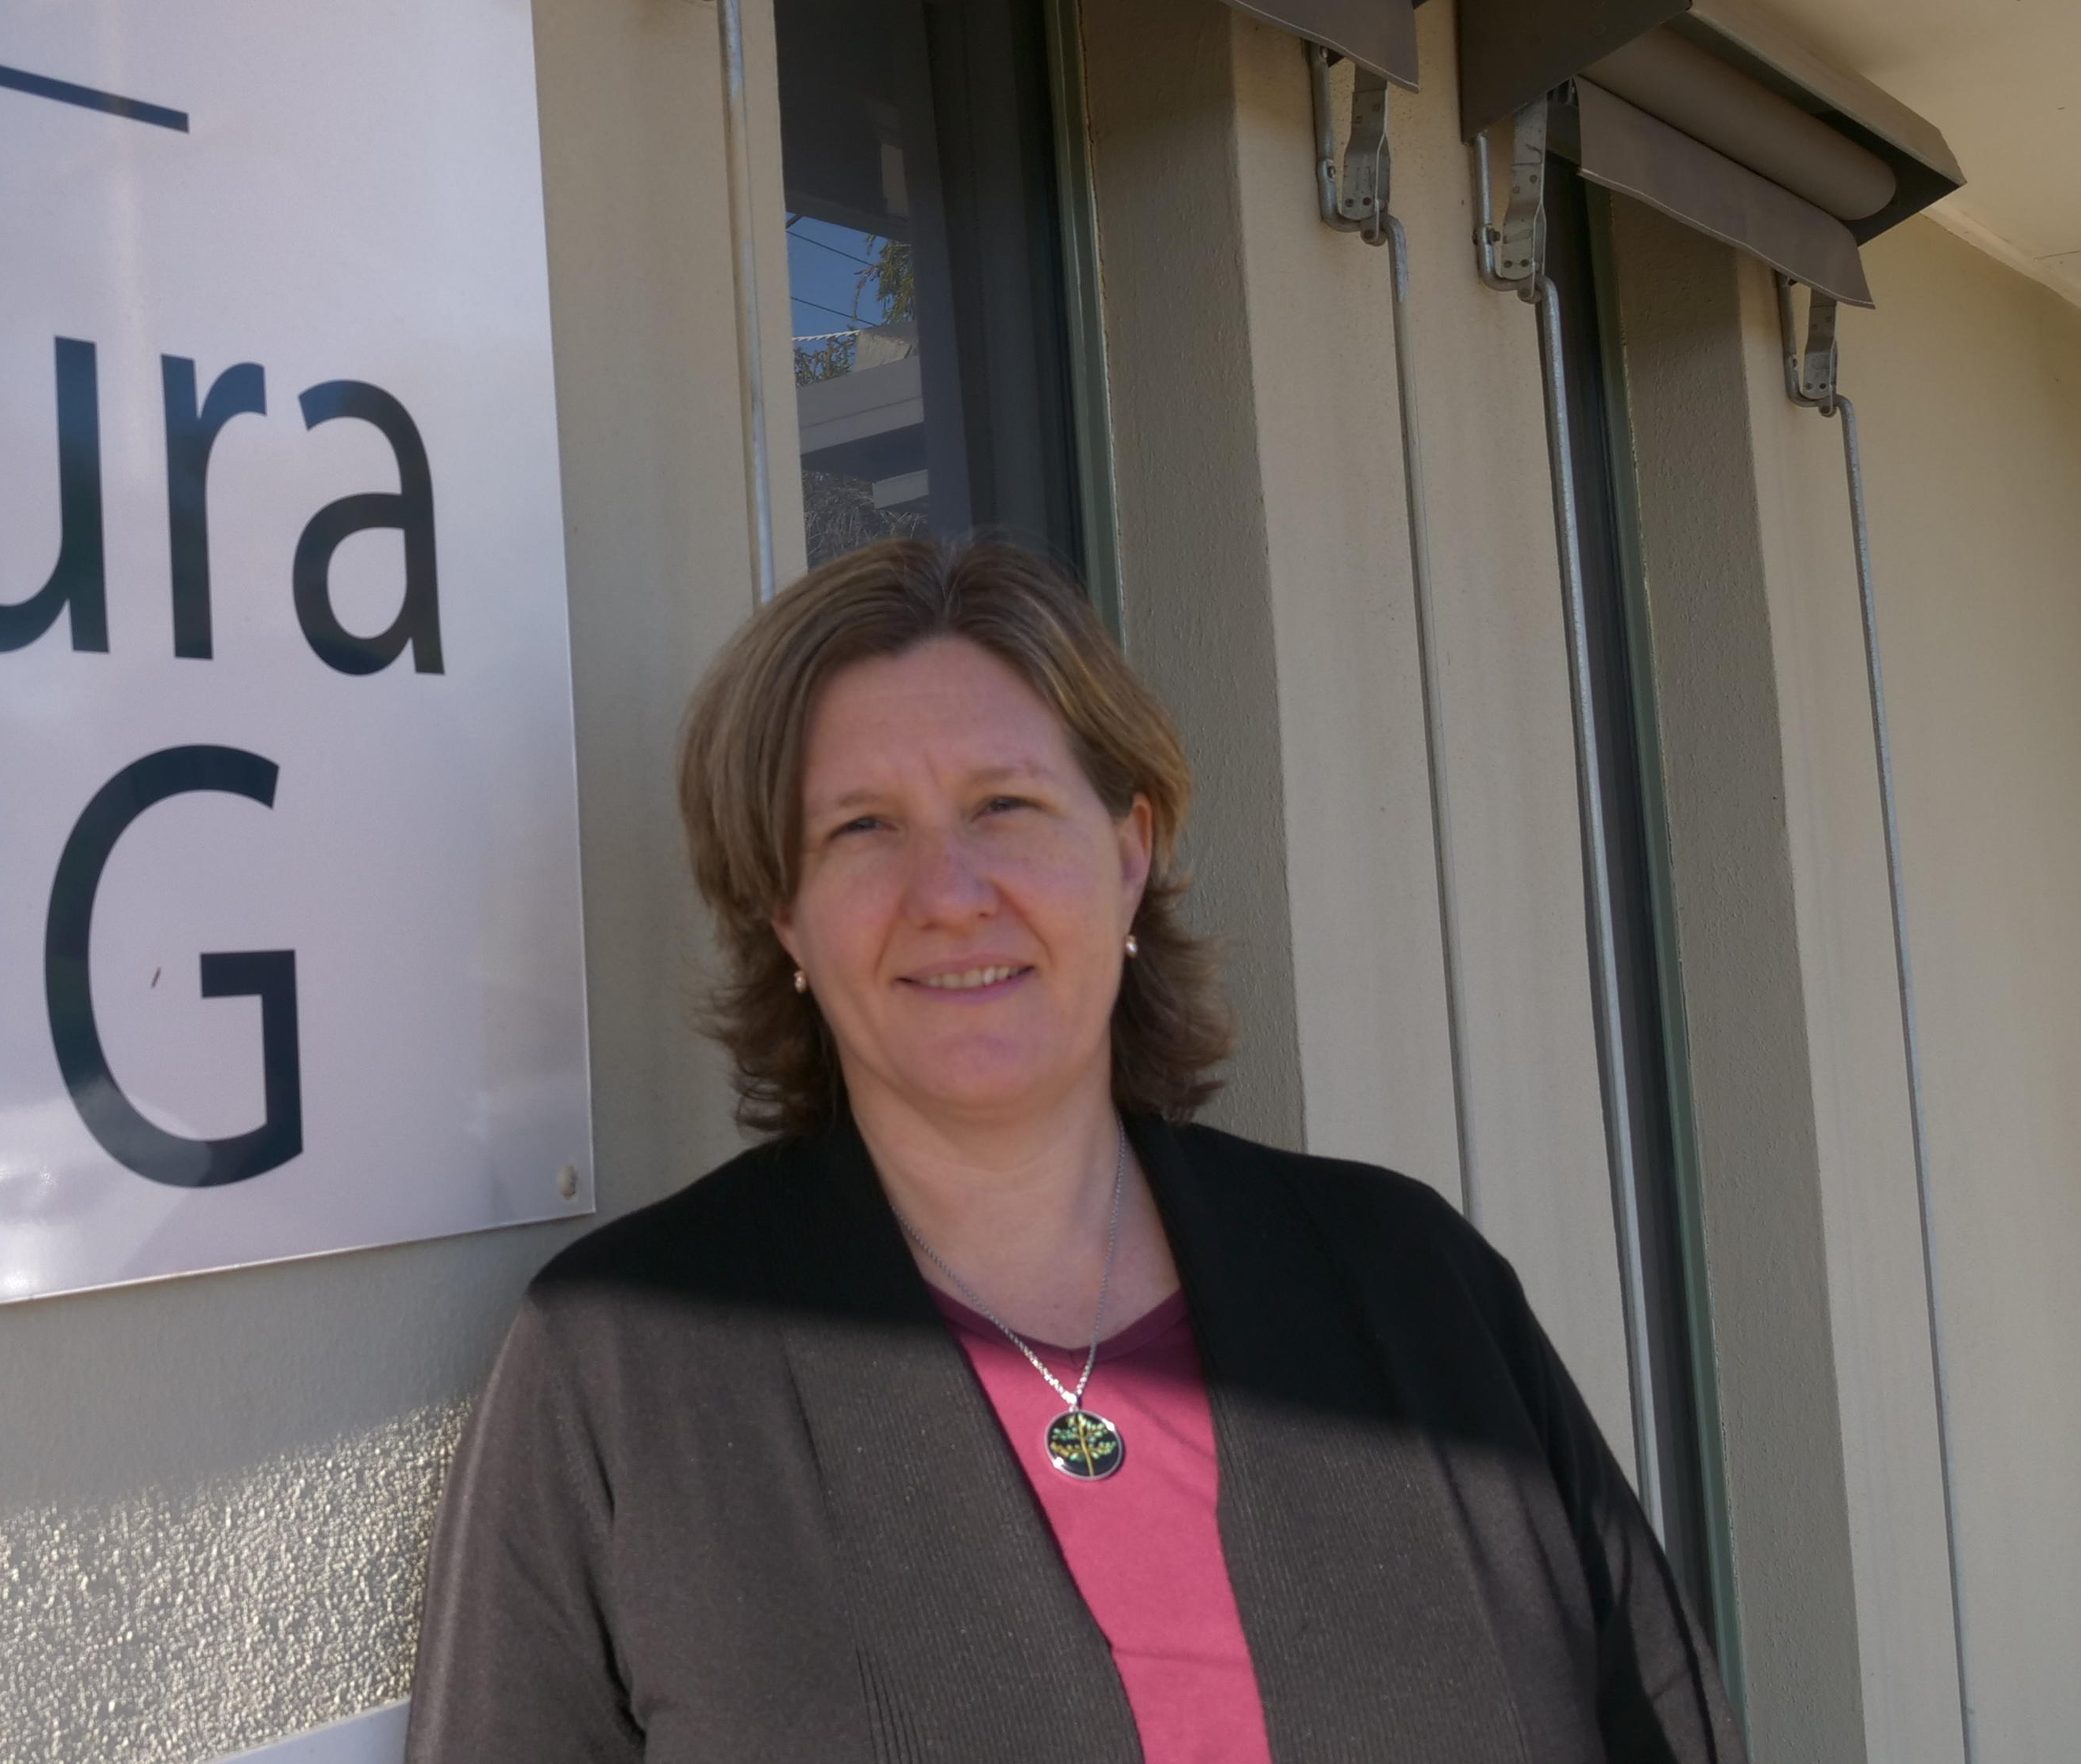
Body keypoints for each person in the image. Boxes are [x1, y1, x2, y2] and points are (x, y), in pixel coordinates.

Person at [405, 536, 1733, 1762]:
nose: (949, 894)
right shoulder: (624, 1367)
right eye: (862, 828)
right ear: (786, 918)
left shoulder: (1409, 1281)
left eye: (1006, 805)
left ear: (1129, 852)